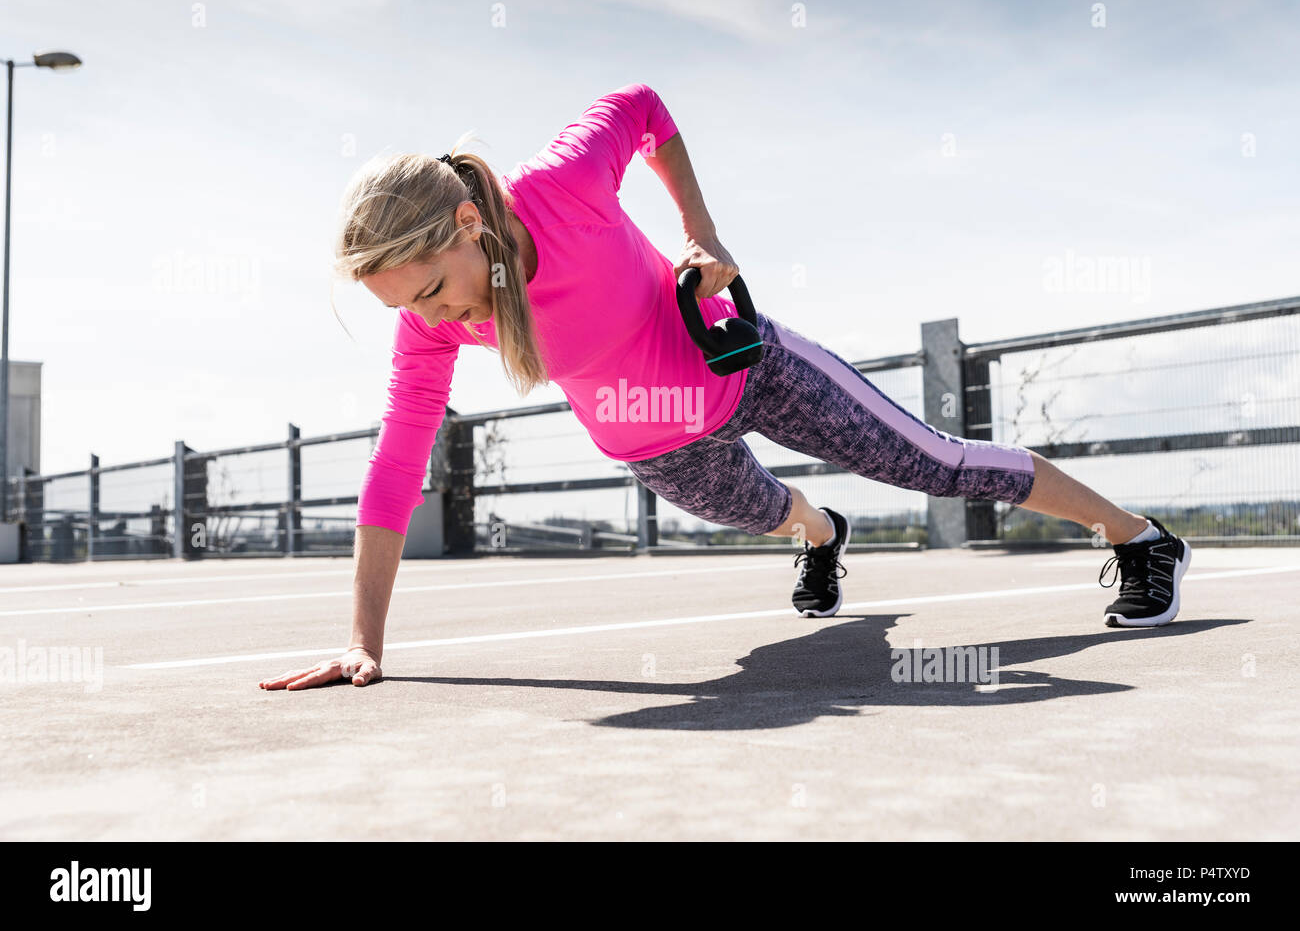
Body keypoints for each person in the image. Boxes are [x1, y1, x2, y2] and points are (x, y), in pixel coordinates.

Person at [260, 83, 1191, 692]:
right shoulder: (428, 323)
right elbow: (395, 467)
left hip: (745, 367)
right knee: (768, 513)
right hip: (653, 440)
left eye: (428, 287)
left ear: (469, 223)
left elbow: (645, 106)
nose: (429, 317)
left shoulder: (564, 184)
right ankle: (823, 533)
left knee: (938, 465)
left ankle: (1143, 539)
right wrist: (365, 644)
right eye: (402, 307)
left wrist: (703, 236)